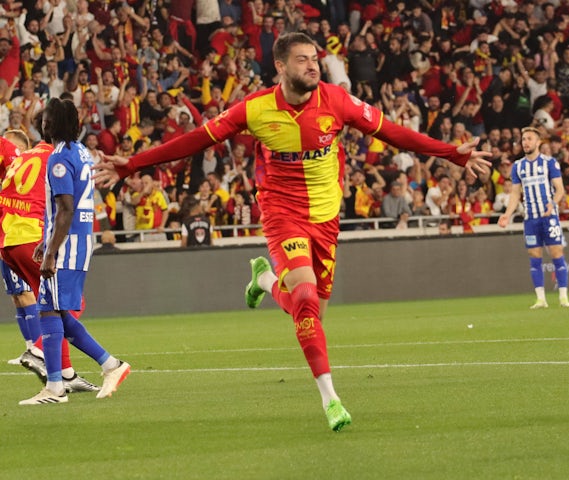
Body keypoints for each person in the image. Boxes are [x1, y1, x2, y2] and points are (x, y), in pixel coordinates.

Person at [94, 32, 491, 431]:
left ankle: (265, 280)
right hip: (283, 213)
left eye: (315, 58)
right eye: (302, 60)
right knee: (303, 297)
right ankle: (331, 399)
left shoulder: (336, 101)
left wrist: (451, 153)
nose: (313, 65)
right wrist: (133, 164)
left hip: (326, 217)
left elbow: (393, 133)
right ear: (280, 67)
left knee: (313, 310)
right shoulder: (255, 109)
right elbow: (195, 140)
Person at [19, 98, 131, 405]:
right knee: (56, 311)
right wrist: (48, 239)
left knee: (47, 309)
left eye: (46, 119)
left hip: (67, 246)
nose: (43, 123)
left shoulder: (57, 158)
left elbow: (66, 208)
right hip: (79, 241)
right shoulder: (81, 152)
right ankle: (109, 365)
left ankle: (56, 386)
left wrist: (52, 250)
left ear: (52, 124)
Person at [1, 127, 98, 393]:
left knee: (47, 303)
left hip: (8, 238)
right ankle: (38, 351)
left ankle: (65, 374)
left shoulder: (20, 159)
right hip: (32, 236)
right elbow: (63, 204)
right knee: (68, 302)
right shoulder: (55, 158)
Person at [498, 127, 569, 309]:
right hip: (530, 219)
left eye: (529, 139)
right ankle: (541, 299)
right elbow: (515, 194)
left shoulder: (550, 163)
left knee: (556, 253)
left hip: (549, 217)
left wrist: (552, 203)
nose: (525, 142)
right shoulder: (518, 166)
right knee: (534, 256)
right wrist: (507, 215)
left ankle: (563, 296)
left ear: (538, 142)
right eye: (523, 139)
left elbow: (560, 189)